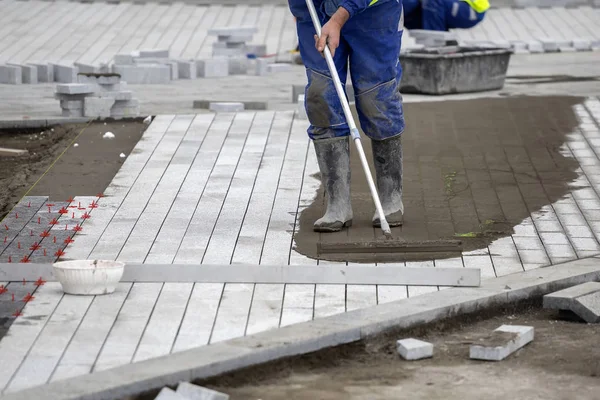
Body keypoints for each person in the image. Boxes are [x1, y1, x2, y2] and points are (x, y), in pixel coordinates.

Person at [288, 0, 405, 232]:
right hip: (317, 12)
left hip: (375, 15)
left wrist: (340, 18)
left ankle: (390, 197)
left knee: (377, 100)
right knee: (322, 94)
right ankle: (337, 204)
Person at [402, 0, 489, 31]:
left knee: (433, 2)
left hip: (472, 9)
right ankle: (445, 41)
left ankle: (436, 40)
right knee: (407, 12)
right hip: (454, 6)